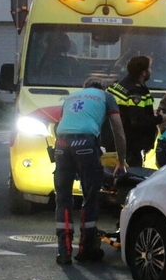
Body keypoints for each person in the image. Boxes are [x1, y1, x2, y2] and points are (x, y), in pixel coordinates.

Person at [53, 78, 128, 265]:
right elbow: (118, 130)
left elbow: (59, 125)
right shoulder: (106, 96)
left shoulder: (70, 97)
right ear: (102, 88)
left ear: (84, 87)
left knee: (63, 199)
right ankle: (86, 250)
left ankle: (64, 252)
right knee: (90, 197)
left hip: (61, 143)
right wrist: (121, 161)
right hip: (86, 144)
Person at [106, 55, 162, 167]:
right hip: (129, 146)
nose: (150, 71)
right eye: (149, 68)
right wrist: (159, 119)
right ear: (144, 72)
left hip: (112, 141)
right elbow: (138, 121)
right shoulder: (136, 92)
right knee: (132, 174)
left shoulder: (116, 86)